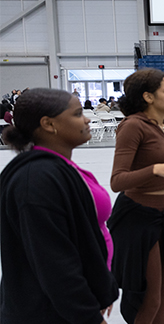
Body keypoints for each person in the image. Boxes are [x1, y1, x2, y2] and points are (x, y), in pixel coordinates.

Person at [0, 88, 118, 324]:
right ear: (48, 124)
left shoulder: (59, 168)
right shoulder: (36, 180)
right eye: (76, 114)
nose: (86, 119)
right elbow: (54, 264)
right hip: (48, 313)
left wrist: (98, 287)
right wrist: (87, 314)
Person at [107, 68, 164, 324]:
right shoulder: (133, 126)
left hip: (162, 212)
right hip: (137, 216)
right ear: (148, 97)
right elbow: (117, 180)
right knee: (150, 296)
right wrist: (156, 169)